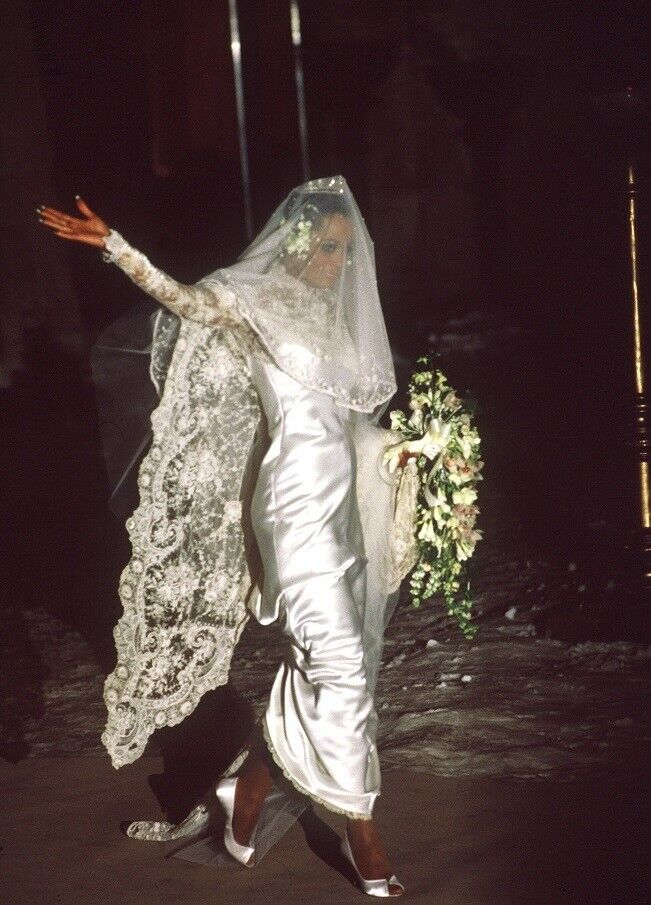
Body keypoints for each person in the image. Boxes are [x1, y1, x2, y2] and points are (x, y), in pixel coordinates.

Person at [37, 177, 418, 896]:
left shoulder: (337, 328)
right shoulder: (255, 305)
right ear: (299, 245)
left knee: (345, 666)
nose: (340, 262)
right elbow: (186, 300)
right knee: (336, 662)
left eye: (347, 249)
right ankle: (361, 825)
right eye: (329, 247)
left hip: (341, 510)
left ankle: (243, 800)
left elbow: (349, 426)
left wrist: (407, 450)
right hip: (294, 508)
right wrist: (116, 247)